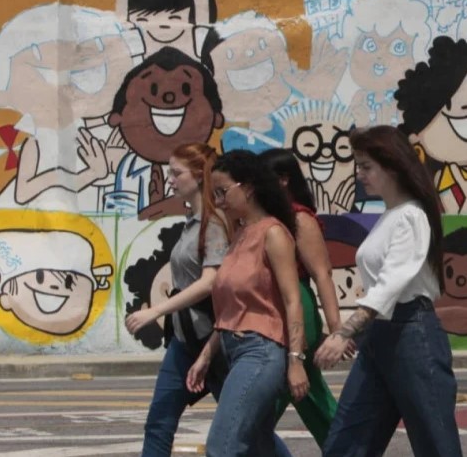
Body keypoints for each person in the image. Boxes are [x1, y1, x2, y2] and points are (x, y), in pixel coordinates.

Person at [313, 125, 463, 457]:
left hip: (413, 335)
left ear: (392, 166)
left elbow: (391, 282)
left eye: (366, 166)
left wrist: (344, 331)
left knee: (436, 444)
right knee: (345, 444)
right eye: (358, 166)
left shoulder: (411, 217)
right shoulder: (390, 216)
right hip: (380, 338)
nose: (360, 174)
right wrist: (362, 329)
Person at [186, 149, 308, 457]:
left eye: (223, 192)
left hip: (261, 352)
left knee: (223, 446)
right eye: (214, 194)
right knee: (258, 443)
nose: (220, 201)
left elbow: (293, 301)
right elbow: (230, 311)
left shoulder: (273, 233)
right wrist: (205, 356)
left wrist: (296, 361)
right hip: (233, 350)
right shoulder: (240, 234)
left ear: (249, 187)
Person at [123, 143, 229, 456]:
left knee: (244, 426)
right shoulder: (192, 221)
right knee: (159, 420)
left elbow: (210, 282)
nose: (170, 179)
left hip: (214, 341)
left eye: (176, 173)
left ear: (198, 176)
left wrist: (155, 310)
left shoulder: (214, 224)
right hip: (184, 341)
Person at [260, 148, 342, 448]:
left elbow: (322, 274)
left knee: (272, 397)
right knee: (309, 396)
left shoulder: (299, 218)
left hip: (297, 307)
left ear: (283, 179)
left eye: (262, 176)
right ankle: (347, 447)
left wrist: (337, 330)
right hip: (273, 308)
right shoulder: (264, 218)